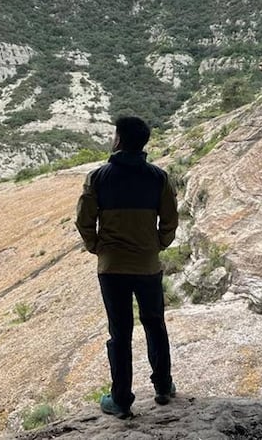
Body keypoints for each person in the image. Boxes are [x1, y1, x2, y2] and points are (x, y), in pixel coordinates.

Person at [76, 116, 180, 419]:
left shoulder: (97, 178)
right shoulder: (159, 177)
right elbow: (170, 220)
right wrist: (158, 244)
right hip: (148, 265)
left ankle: (121, 400)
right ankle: (163, 386)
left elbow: (84, 220)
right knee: (155, 324)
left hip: (112, 268)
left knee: (119, 332)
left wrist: (96, 246)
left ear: (118, 140)